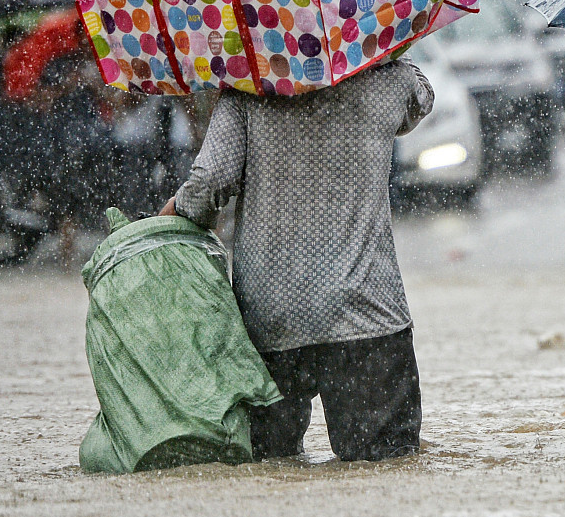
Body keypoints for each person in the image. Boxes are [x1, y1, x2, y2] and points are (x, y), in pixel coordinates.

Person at [162, 55, 434, 462]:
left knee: (269, 468)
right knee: (386, 465)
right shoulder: (387, 79)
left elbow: (211, 181)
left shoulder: (246, 87)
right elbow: (422, 96)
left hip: (271, 315)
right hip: (366, 313)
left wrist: (177, 211)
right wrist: (387, 45)